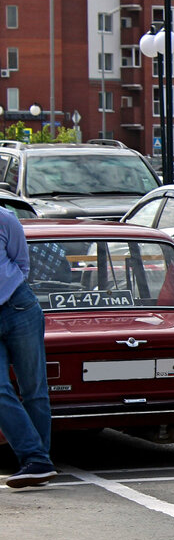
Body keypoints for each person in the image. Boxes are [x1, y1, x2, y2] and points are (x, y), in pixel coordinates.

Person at [0, 206, 57, 489]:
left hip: (18, 307)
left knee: (34, 388)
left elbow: (21, 264)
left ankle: (36, 461)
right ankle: (36, 458)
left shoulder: (4, 218)